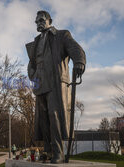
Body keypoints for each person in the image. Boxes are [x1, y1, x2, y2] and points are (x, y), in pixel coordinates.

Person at [26, 10, 86, 163]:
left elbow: (75, 48)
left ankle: (58, 152)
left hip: (55, 81)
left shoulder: (61, 35)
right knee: (43, 119)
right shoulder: (35, 42)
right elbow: (31, 63)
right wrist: (32, 75)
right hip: (40, 82)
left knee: (54, 115)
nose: (38, 23)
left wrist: (79, 61)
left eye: (41, 20)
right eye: (36, 21)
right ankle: (48, 151)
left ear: (49, 20)